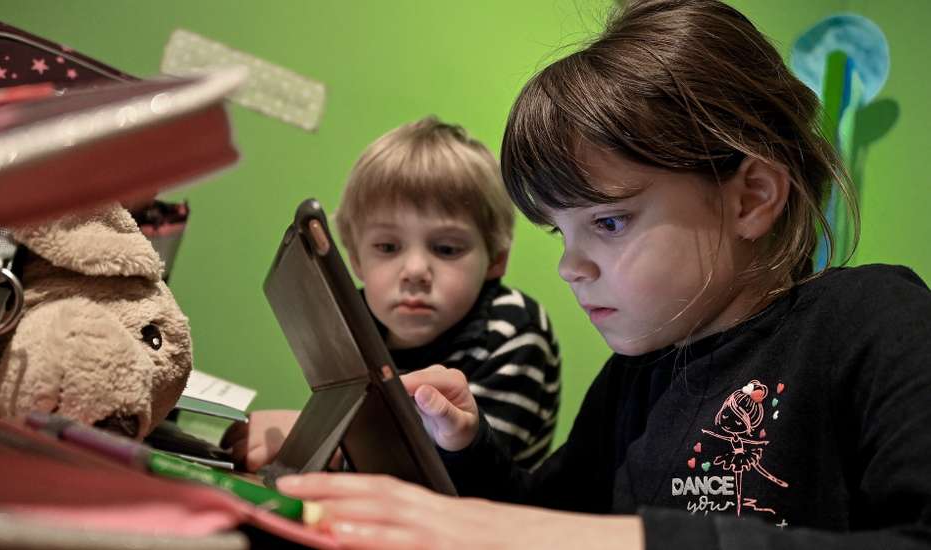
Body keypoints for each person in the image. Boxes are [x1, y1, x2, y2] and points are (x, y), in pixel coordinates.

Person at [271, 1, 931, 549]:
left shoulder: (873, 322)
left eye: (609, 223)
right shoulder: (635, 379)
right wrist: (467, 444)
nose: (569, 266)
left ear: (752, 197)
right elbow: (548, 517)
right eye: (561, 231)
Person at [225, 116, 561, 472]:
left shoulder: (515, 328)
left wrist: (322, 438)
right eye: (387, 246)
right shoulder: (353, 321)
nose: (415, 271)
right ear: (355, 259)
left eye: (447, 249)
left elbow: (461, 472)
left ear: (496, 259)